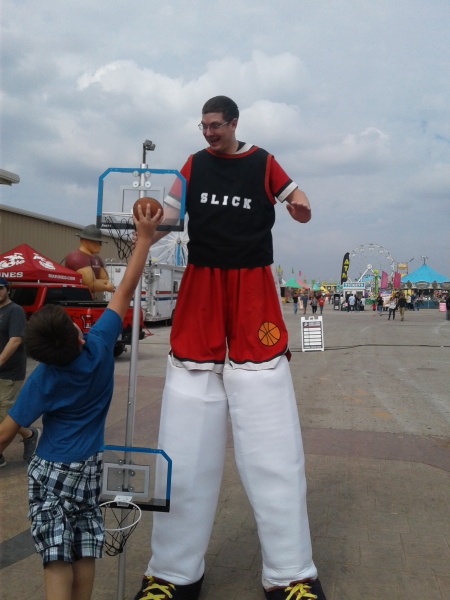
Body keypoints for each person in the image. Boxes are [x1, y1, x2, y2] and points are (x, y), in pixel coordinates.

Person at [134, 96, 326, 600]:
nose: (207, 133)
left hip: (253, 294)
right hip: (201, 291)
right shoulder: (194, 165)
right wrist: (148, 215)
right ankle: (173, 572)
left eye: (215, 126)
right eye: (202, 126)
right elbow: (168, 213)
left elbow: (294, 195)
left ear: (234, 123)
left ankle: (290, 573)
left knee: (272, 439)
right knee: (185, 434)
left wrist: (300, 204)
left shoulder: (263, 162)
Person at [0, 205, 162, 600]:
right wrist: (143, 238)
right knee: (84, 545)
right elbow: (124, 289)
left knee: (56, 556)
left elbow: (5, 433)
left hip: (51, 470)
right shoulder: (100, 348)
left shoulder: (44, 377)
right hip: (89, 467)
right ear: (76, 333)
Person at [0, 276, 40, 468]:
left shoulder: (15, 310)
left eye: (0, 288)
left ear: (7, 290)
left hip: (9, 372)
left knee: (6, 415)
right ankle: (29, 434)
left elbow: (15, 340)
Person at [65, 224, 115, 293]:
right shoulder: (77, 257)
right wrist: (107, 287)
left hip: (88, 297)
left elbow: (105, 279)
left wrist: (98, 283)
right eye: (96, 241)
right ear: (83, 241)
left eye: (100, 242)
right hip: (74, 297)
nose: (100, 245)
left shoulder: (97, 259)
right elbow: (90, 284)